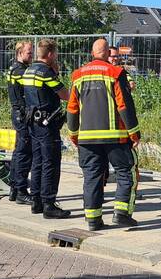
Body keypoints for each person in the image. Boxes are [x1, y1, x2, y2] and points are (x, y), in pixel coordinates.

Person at [66, 38, 141, 230]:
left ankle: (93, 220)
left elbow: (72, 108)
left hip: (87, 139)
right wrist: (134, 132)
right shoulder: (115, 72)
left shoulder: (77, 75)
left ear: (92, 53)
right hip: (115, 137)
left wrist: (73, 133)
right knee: (127, 172)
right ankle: (122, 214)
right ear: (108, 53)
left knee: (92, 176)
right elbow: (124, 104)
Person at [22, 39, 70, 219]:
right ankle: (49, 204)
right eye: (55, 53)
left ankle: (36, 201)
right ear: (50, 54)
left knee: (37, 162)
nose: (56, 56)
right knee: (51, 163)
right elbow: (64, 95)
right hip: (47, 124)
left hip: (33, 122)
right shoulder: (45, 72)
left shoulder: (29, 70)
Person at [6, 41, 33, 204]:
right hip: (22, 115)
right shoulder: (20, 71)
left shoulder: (14, 68)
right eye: (29, 53)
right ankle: (22, 191)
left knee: (18, 153)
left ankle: (14, 189)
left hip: (18, 114)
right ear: (19, 53)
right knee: (24, 154)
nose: (31, 55)